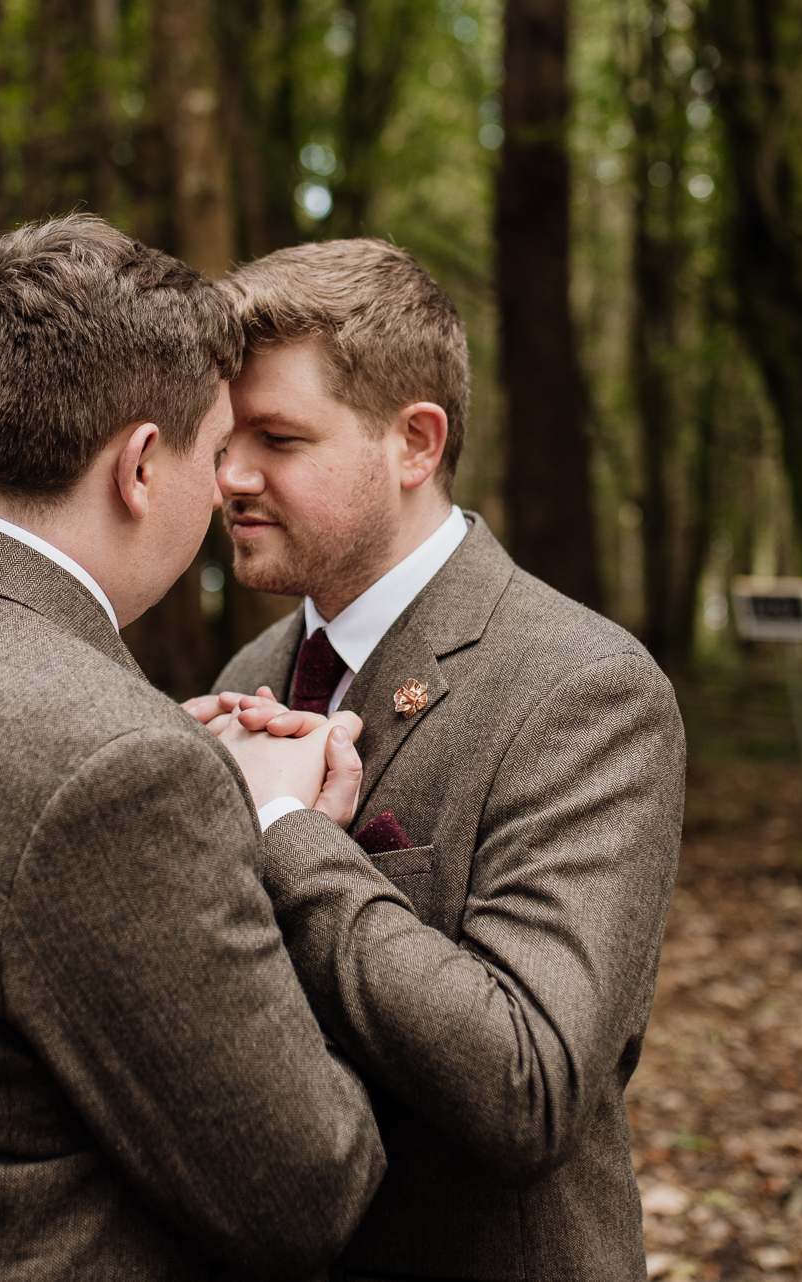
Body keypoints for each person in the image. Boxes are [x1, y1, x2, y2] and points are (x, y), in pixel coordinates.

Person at [0, 215, 394, 1281]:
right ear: (142, 465)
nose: (225, 487)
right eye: (213, 450)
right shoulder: (119, 769)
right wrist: (270, 835)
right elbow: (306, 1187)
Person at [185, 239, 685, 1281]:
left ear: (415, 441)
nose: (229, 476)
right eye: (224, 439)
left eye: (277, 437)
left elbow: (529, 1079)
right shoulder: (254, 668)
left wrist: (290, 837)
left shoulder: (584, 688)